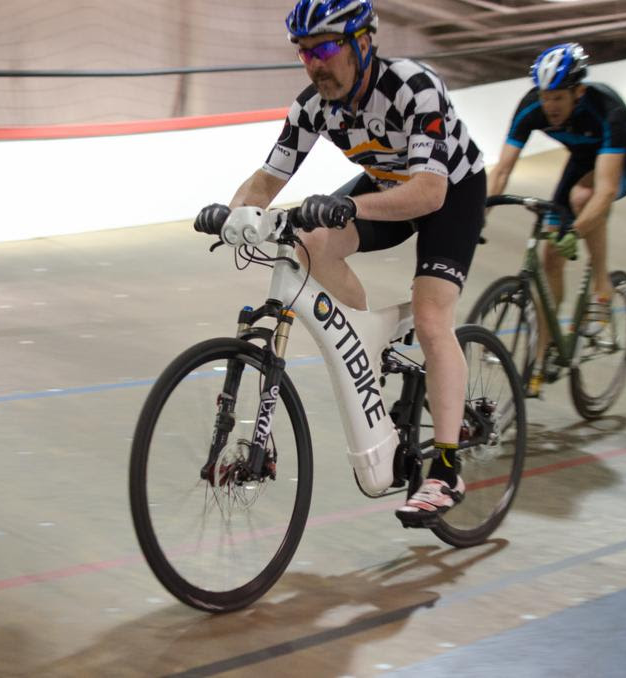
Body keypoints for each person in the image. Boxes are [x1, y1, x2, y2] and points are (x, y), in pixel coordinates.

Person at [193, 0, 487, 527]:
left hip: (449, 191)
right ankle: (366, 342)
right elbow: (266, 179)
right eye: (304, 52)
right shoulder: (311, 106)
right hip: (388, 184)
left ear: (363, 42)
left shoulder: (412, 86)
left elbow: (428, 191)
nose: (315, 63)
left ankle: (445, 469)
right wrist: (237, 213)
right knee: (309, 242)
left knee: (430, 315)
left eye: (326, 47)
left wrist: (351, 205)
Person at [487, 42, 626, 395]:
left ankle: (603, 286)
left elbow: (605, 190)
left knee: (583, 197)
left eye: (559, 98)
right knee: (550, 259)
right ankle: (542, 357)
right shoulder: (532, 106)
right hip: (583, 158)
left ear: (579, 92)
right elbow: (501, 170)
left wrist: (574, 231)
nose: (550, 107)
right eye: (546, 97)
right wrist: (478, 216)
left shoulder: (608, 110)